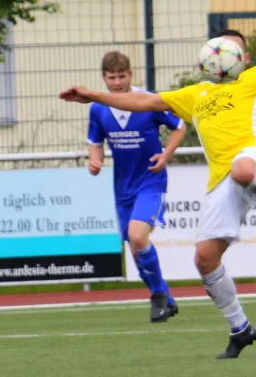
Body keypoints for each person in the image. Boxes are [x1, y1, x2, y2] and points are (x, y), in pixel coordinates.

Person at [61, 30, 256, 358]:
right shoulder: (196, 94)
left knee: (243, 170)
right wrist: (94, 95)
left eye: (231, 49)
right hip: (220, 181)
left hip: (254, 158)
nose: (222, 55)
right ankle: (240, 329)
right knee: (205, 258)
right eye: (218, 49)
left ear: (244, 58)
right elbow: (145, 101)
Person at [87, 51, 187, 322]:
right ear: (104, 78)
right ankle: (165, 296)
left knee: (138, 237)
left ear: (130, 75)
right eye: (111, 77)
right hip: (123, 188)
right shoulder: (98, 108)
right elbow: (95, 145)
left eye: (121, 76)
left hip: (151, 182)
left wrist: (166, 155)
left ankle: (157, 296)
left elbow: (180, 126)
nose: (117, 83)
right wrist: (94, 162)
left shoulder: (147, 101)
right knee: (134, 247)